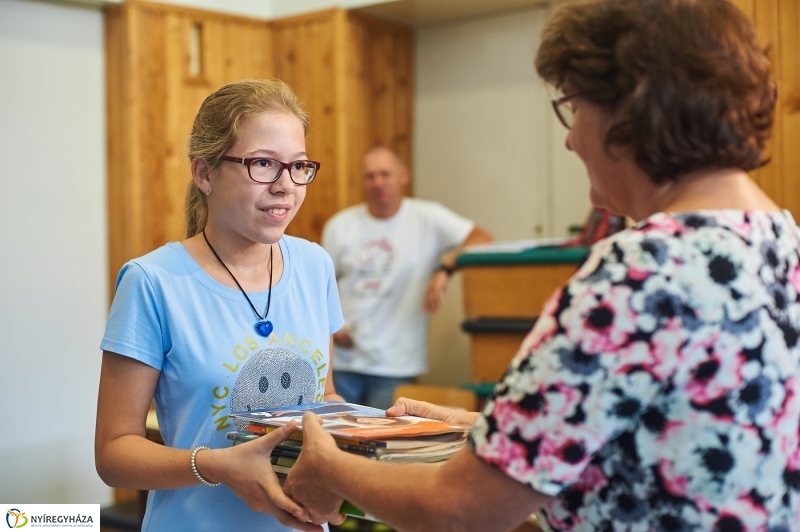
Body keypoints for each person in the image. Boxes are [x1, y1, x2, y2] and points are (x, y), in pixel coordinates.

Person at [284, 1, 800, 530]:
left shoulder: (640, 272)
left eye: (574, 107)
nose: (571, 138)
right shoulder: (783, 240)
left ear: (630, 109)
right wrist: (487, 430)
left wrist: (327, 466)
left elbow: (460, 511)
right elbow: (665, 436)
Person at [95, 79, 344, 532]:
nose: (286, 186)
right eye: (263, 164)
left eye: (299, 166)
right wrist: (217, 465)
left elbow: (322, 398)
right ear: (204, 174)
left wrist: (363, 447)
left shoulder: (315, 264)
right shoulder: (153, 282)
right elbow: (114, 453)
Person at [322, 146, 493, 409]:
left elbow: (482, 239)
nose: (378, 182)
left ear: (403, 175)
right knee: (336, 439)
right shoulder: (340, 225)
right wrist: (332, 326)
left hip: (396, 364)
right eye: (370, 176)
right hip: (343, 361)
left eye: (385, 174)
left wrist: (444, 269)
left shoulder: (427, 217)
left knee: (384, 444)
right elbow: (321, 286)